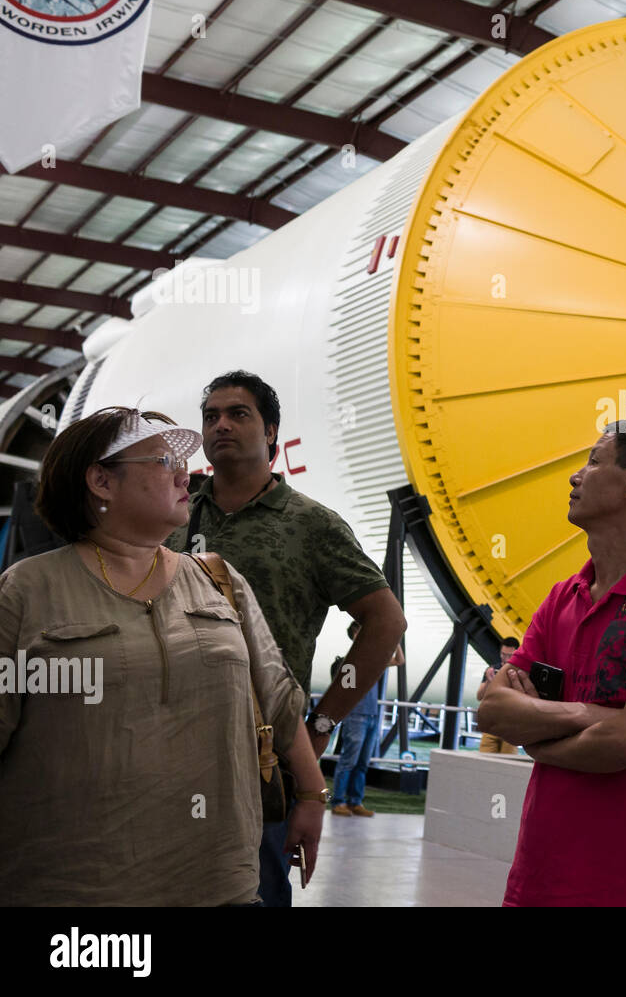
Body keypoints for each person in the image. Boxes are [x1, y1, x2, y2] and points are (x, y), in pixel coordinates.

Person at [0, 408, 327, 906]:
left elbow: (278, 696)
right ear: (101, 481)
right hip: (75, 887)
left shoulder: (220, 581)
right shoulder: (27, 590)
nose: (186, 473)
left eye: (184, 461)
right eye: (162, 460)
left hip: (220, 879)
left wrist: (310, 796)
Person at [166, 371, 407, 906]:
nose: (221, 425)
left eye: (239, 414)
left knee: (252, 892)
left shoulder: (310, 524)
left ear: (272, 432)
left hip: (261, 761)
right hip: (166, 748)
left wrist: (320, 726)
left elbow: (385, 622)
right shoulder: (174, 516)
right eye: (211, 417)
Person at [477, 422, 626, 907]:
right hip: (538, 876)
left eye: (594, 461)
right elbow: (493, 712)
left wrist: (538, 744)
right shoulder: (562, 597)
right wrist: (593, 715)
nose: (575, 477)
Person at [330, 624, 403, 816]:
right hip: (356, 716)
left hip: (371, 715)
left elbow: (399, 660)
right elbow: (345, 691)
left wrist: (395, 637)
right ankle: (338, 801)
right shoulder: (350, 661)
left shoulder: (373, 659)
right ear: (355, 634)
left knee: (362, 763)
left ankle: (355, 801)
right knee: (349, 761)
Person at [476, 637, 521, 754]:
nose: (505, 659)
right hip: (491, 723)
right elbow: (479, 696)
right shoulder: (492, 669)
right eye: (503, 654)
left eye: (509, 655)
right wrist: (489, 681)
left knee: (507, 765)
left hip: (511, 725)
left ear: (517, 653)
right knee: (485, 760)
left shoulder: (521, 671)